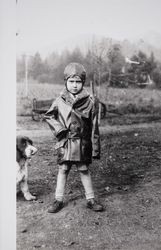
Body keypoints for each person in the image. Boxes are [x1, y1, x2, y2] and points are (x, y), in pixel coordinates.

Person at [44, 62, 104, 213]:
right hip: (65, 142)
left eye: (78, 82)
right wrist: (59, 130)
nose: (75, 85)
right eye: (71, 81)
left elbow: (95, 127)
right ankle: (58, 199)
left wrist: (95, 149)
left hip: (82, 144)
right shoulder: (60, 100)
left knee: (84, 169)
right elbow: (49, 116)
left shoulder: (90, 102)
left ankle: (90, 200)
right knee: (63, 169)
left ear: (83, 82)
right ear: (66, 82)